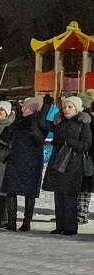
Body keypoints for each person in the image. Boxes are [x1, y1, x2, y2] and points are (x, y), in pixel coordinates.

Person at [42, 95, 92, 236]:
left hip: (73, 164)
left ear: (77, 108)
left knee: (70, 197)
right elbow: (42, 123)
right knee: (59, 196)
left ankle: (70, 227)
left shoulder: (83, 123)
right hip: (58, 163)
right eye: (64, 107)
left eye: (70, 107)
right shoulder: (59, 122)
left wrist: (70, 142)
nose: (67, 109)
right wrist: (47, 105)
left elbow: (86, 144)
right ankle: (60, 225)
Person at [1, 95, 52, 231]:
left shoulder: (38, 122)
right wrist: (11, 126)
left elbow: (39, 140)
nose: (21, 108)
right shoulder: (18, 121)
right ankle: (12, 222)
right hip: (15, 160)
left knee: (29, 192)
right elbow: (5, 138)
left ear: (30, 108)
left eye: (23, 106)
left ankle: (26, 222)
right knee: (11, 190)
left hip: (31, 162)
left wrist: (32, 129)